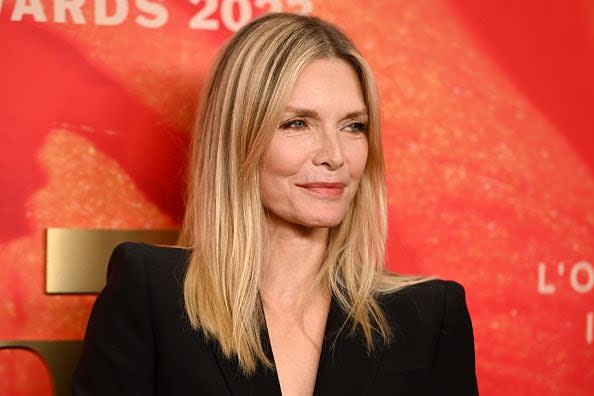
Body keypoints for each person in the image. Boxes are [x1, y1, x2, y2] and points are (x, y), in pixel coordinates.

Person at [72, 12, 478, 396]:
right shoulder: (151, 293)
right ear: (239, 139)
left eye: (354, 126)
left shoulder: (429, 315)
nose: (334, 155)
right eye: (297, 123)